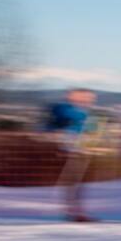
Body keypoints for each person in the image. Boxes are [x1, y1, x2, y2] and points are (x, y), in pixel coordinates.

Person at [47, 88, 96, 221]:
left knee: (76, 184)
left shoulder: (81, 112)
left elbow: (90, 130)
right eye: (87, 97)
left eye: (91, 98)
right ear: (75, 97)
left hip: (78, 151)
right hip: (70, 152)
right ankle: (74, 213)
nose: (90, 100)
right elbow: (55, 127)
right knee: (74, 184)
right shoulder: (67, 110)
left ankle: (74, 212)